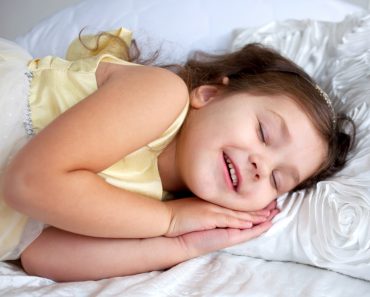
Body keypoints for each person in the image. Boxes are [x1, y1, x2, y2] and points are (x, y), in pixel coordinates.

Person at [0, 28, 353, 282]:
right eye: (264, 133)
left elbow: (39, 254)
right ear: (210, 94)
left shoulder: (153, 202)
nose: (262, 167)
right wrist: (168, 220)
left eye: (278, 179)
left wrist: (183, 244)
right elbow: (29, 183)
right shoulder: (160, 95)